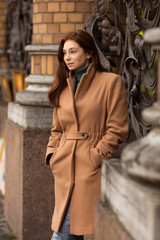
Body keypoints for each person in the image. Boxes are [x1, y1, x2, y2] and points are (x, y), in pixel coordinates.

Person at [45, 30, 128, 240]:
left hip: (89, 168)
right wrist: (52, 155)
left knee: (65, 232)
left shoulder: (111, 82)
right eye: (65, 53)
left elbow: (117, 128)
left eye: (73, 51)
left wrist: (95, 156)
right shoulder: (62, 87)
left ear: (89, 53)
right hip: (64, 167)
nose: (67, 57)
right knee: (69, 231)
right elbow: (57, 130)